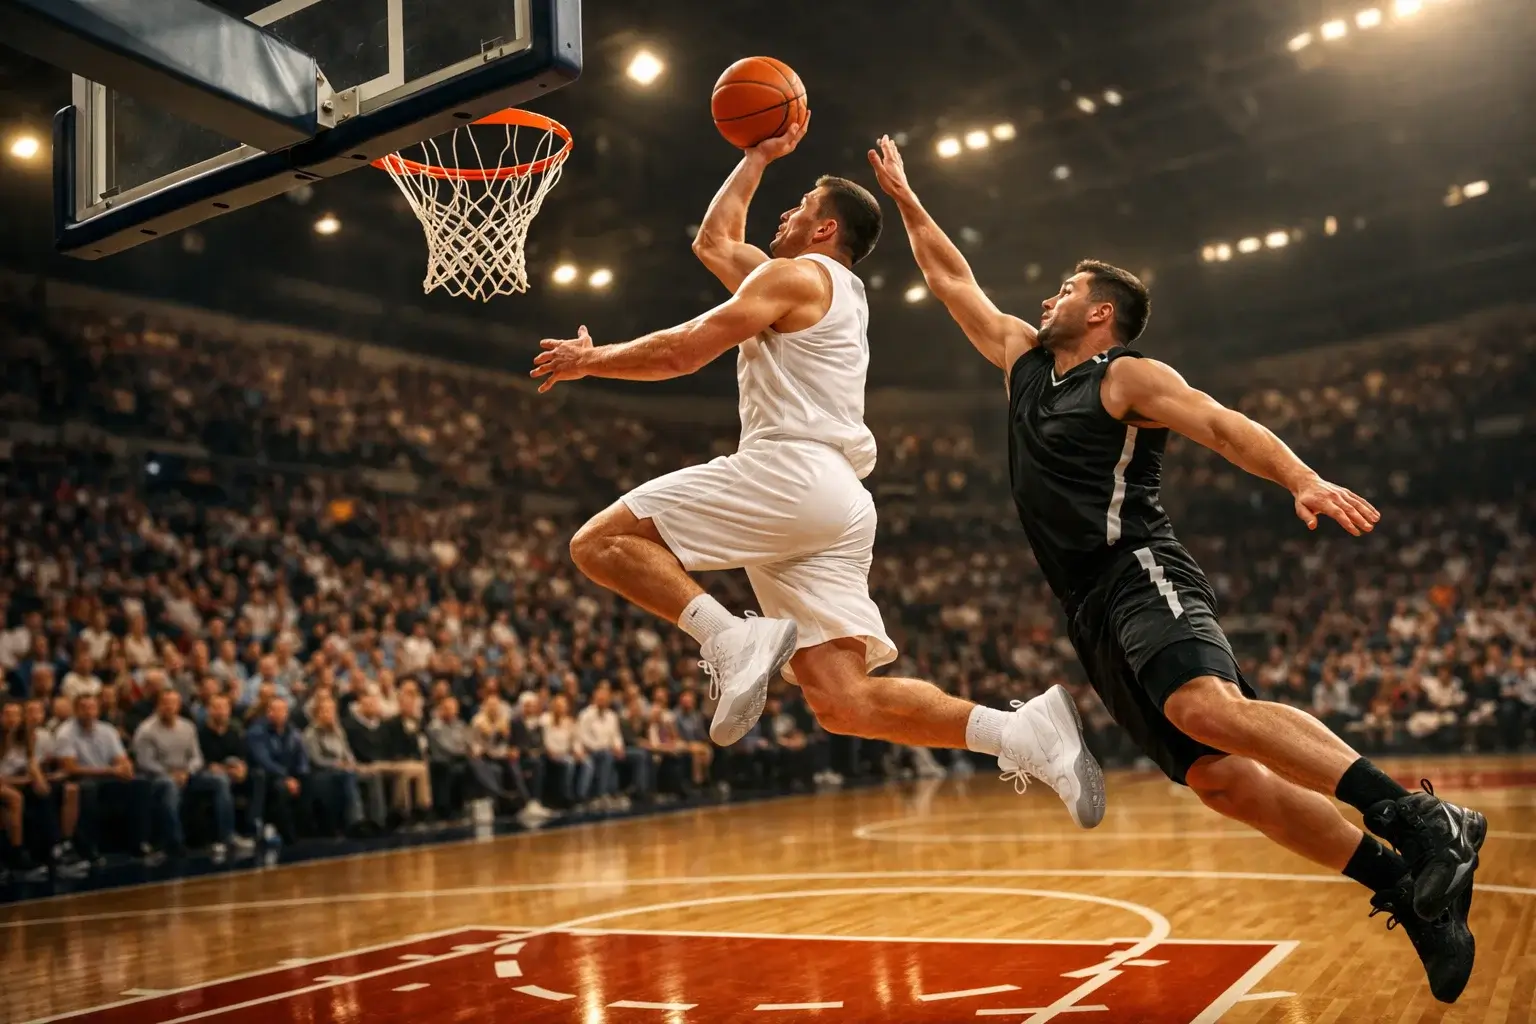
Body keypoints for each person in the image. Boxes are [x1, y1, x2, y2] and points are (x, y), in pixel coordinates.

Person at [866, 134, 1484, 1004]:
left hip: (1137, 567)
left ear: (1100, 315)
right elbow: (949, 279)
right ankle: (1408, 891)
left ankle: (1420, 819)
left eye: (1067, 289)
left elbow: (1223, 424)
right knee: (1221, 780)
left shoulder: (1126, 377)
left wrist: (1303, 478)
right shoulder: (1021, 364)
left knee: (1205, 706)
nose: (1048, 295)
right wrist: (905, 197)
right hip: (1085, 607)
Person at [530, 118, 1101, 827]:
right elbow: (712, 241)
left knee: (601, 544)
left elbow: (683, 352)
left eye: (800, 205)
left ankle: (728, 637)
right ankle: (1020, 732)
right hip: (836, 503)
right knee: (843, 703)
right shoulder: (831, 291)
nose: (786, 211)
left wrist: (594, 359)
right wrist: (756, 156)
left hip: (789, 472)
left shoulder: (794, 276)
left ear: (826, 229)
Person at [132, 688, 252, 860]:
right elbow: (145, 762)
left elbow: (196, 757)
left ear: (179, 705)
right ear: (159, 705)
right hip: (157, 777)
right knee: (169, 785)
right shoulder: (146, 730)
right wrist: (170, 774)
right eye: (166, 703)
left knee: (220, 780)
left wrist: (187, 771)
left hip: (187, 774)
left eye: (174, 703)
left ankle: (227, 836)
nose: (170, 707)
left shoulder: (187, 727)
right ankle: (175, 842)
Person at [55, 693, 152, 860]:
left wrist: (125, 767)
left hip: (108, 778)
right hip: (81, 779)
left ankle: (139, 842)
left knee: (140, 784)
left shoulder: (107, 730)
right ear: (75, 710)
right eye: (84, 708)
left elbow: (121, 759)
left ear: (98, 710)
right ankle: (89, 847)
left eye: (92, 707)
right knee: (88, 789)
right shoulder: (66, 732)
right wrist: (111, 771)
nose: (88, 712)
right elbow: (70, 768)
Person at [245, 698, 310, 845]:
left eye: (283, 710)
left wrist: (300, 775)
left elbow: (302, 756)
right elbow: (263, 761)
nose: (280, 714)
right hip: (266, 776)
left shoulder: (292, 731)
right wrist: (287, 777)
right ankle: (286, 835)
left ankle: (309, 833)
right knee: (281, 788)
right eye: (276, 710)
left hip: (289, 775)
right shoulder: (257, 732)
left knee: (311, 782)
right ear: (269, 712)